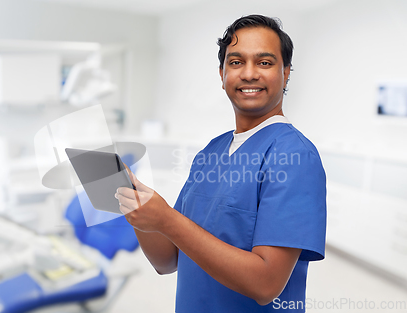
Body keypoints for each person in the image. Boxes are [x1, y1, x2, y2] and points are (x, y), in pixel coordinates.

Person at [115, 14, 326, 312]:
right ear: (222, 73)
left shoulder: (295, 156)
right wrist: (139, 209)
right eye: (236, 62)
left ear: (286, 73)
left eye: (264, 62)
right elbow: (167, 261)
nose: (249, 73)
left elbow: (265, 285)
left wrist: (167, 219)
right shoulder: (211, 152)